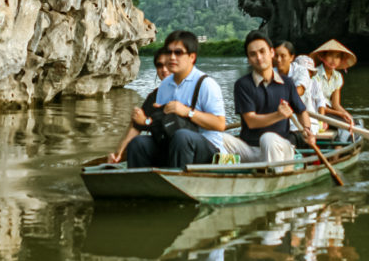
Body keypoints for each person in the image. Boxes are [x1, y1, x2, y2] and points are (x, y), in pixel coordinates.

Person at [125, 30, 226, 169]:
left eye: (178, 53)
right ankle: (141, 187)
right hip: (172, 145)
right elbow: (160, 123)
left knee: (182, 136)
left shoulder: (206, 84)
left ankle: (178, 184)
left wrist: (187, 112)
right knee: (138, 144)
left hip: (206, 151)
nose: (172, 57)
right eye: (169, 52)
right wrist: (147, 121)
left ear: (192, 57)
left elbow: (220, 124)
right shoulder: (165, 85)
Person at [221, 30, 314, 166]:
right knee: (219, 137)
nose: (259, 58)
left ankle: (273, 176)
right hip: (250, 150)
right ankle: (224, 176)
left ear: (271, 53)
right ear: (248, 59)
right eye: (253, 54)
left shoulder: (287, 83)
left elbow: (301, 111)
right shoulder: (242, 85)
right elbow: (251, 121)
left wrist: (307, 130)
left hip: (280, 147)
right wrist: (278, 115)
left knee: (268, 138)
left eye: (262, 51)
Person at [107, 48, 169, 163]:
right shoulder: (154, 96)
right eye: (160, 65)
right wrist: (118, 153)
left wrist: (146, 122)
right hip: (162, 146)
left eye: (168, 65)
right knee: (138, 142)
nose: (164, 70)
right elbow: (135, 125)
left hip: (185, 146)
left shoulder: (186, 91)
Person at [307, 38, 357, 134]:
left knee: (353, 122)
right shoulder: (314, 75)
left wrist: (346, 114)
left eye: (337, 57)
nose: (334, 60)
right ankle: (338, 146)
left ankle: (339, 144)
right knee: (344, 124)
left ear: (341, 60)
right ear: (322, 57)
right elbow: (317, 104)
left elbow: (335, 104)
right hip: (316, 111)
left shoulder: (338, 77)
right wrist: (340, 114)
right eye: (330, 56)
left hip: (330, 111)